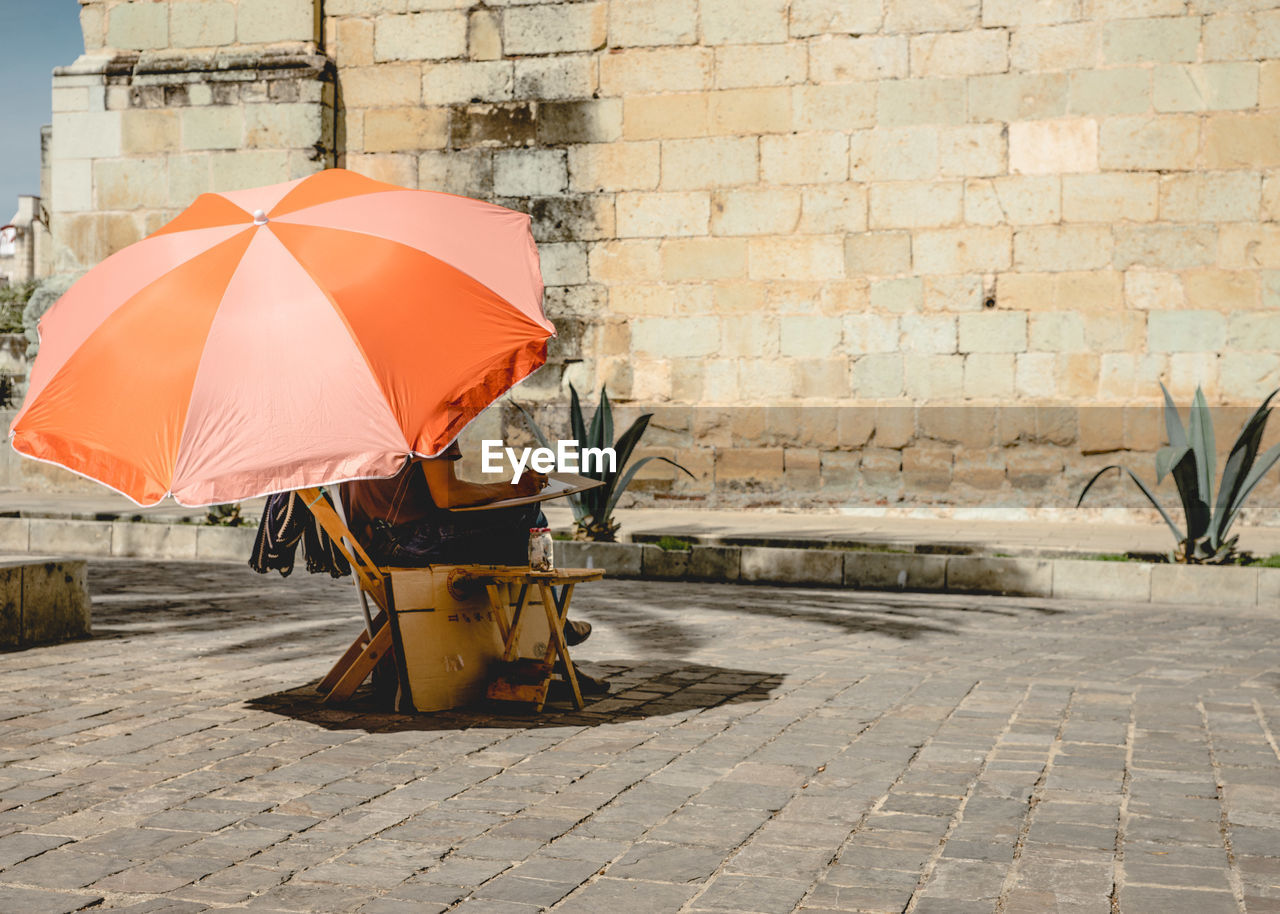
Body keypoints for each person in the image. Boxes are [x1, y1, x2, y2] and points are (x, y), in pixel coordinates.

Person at [342, 445, 604, 691]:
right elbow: (447, 495)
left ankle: (545, 637)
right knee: (527, 515)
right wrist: (514, 489)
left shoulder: (371, 417)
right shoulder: (428, 419)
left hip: (372, 548)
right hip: (410, 544)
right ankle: (553, 636)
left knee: (512, 534)